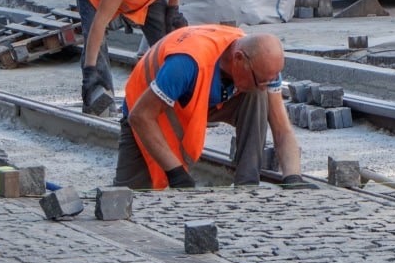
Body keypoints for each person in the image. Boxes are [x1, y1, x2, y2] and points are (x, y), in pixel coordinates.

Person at [113, 26, 314, 190]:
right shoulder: (186, 63)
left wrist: (293, 177)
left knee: (257, 96)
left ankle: (247, 185)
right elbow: (140, 116)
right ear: (238, 59)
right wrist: (176, 174)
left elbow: (282, 129)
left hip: (203, 99)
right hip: (146, 108)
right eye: (260, 80)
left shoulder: (263, 67)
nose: (265, 85)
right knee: (132, 195)